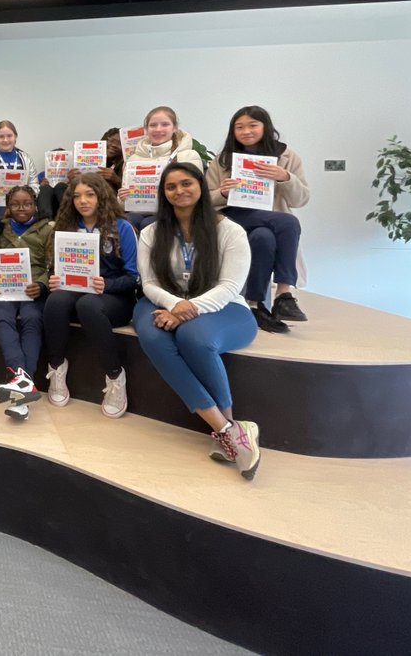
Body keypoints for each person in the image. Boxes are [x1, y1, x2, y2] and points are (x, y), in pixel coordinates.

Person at [133, 163, 261, 480]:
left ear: (202, 186)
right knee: (151, 335)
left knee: (195, 338)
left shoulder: (230, 231)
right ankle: (229, 431)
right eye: (171, 187)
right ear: (163, 193)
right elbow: (148, 283)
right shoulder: (151, 232)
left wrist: (185, 310)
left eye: (186, 183)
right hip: (163, 301)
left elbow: (230, 287)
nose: (179, 191)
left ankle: (226, 428)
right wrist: (175, 304)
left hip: (224, 308)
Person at [206, 106, 310, 334]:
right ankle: (284, 293)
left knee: (264, 238)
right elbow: (205, 200)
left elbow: (301, 199)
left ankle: (255, 305)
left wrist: (285, 178)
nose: (246, 131)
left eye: (253, 125)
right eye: (239, 127)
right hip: (234, 216)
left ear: (266, 127)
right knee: (289, 223)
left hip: (268, 219)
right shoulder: (222, 160)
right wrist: (222, 192)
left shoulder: (286, 156)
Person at [43, 173, 139, 418]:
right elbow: (58, 268)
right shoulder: (65, 227)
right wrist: (55, 278)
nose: (82, 201)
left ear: (102, 197)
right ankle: (56, 367)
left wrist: (107, 285)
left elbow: (133, 278)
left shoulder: (122, 227)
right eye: (76, 196)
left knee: (88, 305)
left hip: (114, 298)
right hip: (77, 292)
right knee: (55, 300)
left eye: (90, 195)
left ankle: (116, 376)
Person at [0, 186, 50, 419]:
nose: (21, 209)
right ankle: (23, 383)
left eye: (26, 204)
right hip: (6, 289)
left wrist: (42, 284)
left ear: (34, 205)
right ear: (8, 207)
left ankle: (19, 385)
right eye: (15, 204)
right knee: (2, 317)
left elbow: (52, 266)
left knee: (32, 318)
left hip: (33, 291)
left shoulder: (46, 230)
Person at [119, 106, 201, 231]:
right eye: (153, 125)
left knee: (149, 224)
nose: (158, 129)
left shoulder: (188, 155)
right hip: (138, 211)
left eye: (165, 124)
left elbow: (197, 193)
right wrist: (122, 197)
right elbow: (121, 204)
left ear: (174, 128)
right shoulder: (133, 159)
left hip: (175, 211)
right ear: (146, 129)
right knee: (126, 222)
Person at [0, 120, 39, 221]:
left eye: (9, 136)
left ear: (15, 137)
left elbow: (35, 184)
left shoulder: (26, 158)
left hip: (22, 205)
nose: (5, 140)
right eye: (1, 136)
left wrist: (28, 197)